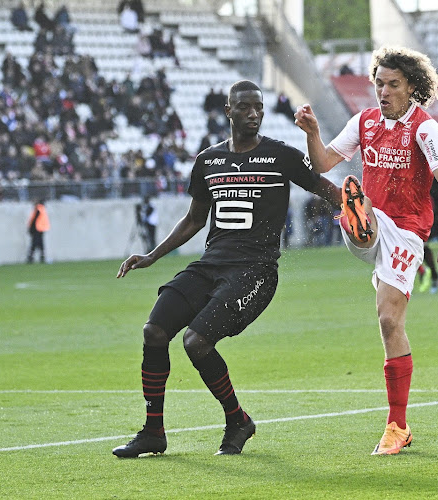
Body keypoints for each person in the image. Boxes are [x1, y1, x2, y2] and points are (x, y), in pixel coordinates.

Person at [112, 80, 343, 458]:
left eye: (259, 107)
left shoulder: (281, 156)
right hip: (211, 265)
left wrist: (360, 206)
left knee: (196, 341)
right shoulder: (208, 160)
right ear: (228, 110)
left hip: (256, 272)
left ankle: (238, 421)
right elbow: (193, 220)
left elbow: (324, 188)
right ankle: (153, 432)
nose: (254, 114)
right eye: (246, 107)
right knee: (154, 331)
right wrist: (152, 256)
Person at [294, 46, 438, 455]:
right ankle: (356, 216)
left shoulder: (424, 128)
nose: (383, 92)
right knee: (356, 201)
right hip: (373, 219)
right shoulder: (364, 122)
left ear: (412, 88)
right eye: (379, 84)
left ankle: (397, 426)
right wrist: (312, 134)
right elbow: (321, 163)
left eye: (393, 85)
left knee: (389, 320)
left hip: (406, 232)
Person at [26, 199, 50, 263]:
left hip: (37, 229)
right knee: (40, 244)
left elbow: (34, 220)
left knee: (34, 243)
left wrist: (31, 228)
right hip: (41, 229)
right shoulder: (42, 208)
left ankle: (31, 257)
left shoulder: (38, 209)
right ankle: (42, 256)